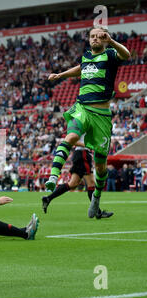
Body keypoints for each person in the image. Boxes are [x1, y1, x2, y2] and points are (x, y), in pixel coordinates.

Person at [45, 26, 130, 218]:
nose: (95, 39)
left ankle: (97, 197)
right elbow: (81, 69)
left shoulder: (109, 54)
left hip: (101, 115)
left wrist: (111, 41)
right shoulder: (86, 57)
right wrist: (61, 75)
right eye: (92, 36)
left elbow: (126, 54)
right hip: (82, 107)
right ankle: (53, 176)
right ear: (88, 39)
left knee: (100, 166)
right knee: (72, 136)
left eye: (98, 37)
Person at [42, 136, 113, 219]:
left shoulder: (85, 127)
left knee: (73, 184)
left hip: (81, 155)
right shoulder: (82, 126)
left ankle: (48, 198)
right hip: (83, 154)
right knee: (91, 184)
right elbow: (72, 141)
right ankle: (98, 212)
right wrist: (87, 145)